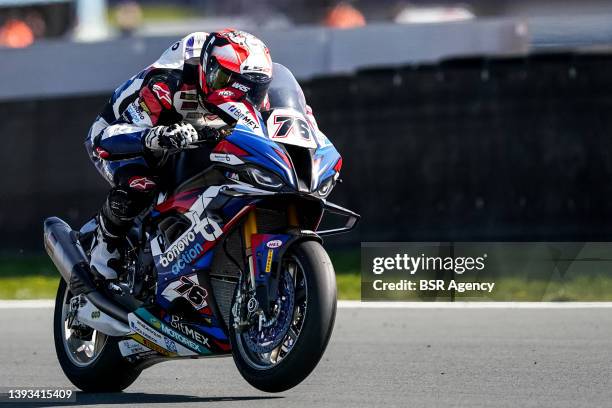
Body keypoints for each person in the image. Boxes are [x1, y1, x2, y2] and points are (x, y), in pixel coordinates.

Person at [85, 29, 273, 279]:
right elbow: (108, 139)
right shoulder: (168, 81)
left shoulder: (252, 93)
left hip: (196, 138)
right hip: (124, 136)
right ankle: (105, 243)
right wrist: (156, 136)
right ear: (208, 68)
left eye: (251, 90)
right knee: (142, 184)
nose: (234, 95)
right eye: (223, 81)